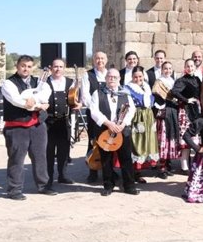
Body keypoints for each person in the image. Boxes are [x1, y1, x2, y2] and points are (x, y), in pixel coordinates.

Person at [2, 55, 55, 200]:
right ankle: (14, 190)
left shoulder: (38, 82)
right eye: (23, 66)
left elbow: (46, 93)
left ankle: (43, 186)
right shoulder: (9, 83)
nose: (26, 69)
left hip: (38, 125)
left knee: (40, 157)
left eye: (29, 66)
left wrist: (38, 101)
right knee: (17, 159)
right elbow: (17, 100)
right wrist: (39, 105)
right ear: (17, 66)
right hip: (17, 127)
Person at [89, 69, 138, 196]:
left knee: (126, 158)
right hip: (104, 130)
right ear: (105, 78)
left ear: (119, 79)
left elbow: (131, 110)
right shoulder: (97, 93)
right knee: (106, 159)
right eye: (109, 76)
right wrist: (108, 123)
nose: (112, 79)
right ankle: (108, 185)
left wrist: (123, 124)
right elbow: (94, 111)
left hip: (123, 131)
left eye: (115, 77)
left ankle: (129, 186)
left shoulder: (125, 94)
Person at [45, 58, 80, 188]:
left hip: (64, 122)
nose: (58, 69)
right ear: (51, 68)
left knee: (63, 151)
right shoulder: (44, 82)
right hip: (48, 122)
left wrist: (79, 103)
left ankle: (62, 175)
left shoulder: (70, 83)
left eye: (60, 67)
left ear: (64, 68)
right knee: (48, 150)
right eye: (55, 66)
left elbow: (77, 98)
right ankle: (48, 177)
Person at [124, 66, 159, 182]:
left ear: (143, 76)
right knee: (137, 142)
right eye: (135, 77)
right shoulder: (128, 88)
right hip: (137, 115)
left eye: (140, 76)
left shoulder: (147, 86)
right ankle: (134, 172)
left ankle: (139, 170)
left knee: (147, 141)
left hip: (148, 116)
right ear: (132, 77)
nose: (138, 78)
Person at [81, 51, 109, 182]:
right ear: (94, 60)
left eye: (102, 58)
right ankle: (92, 171)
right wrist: (96, 111)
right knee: (93, 142)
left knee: (109, 142)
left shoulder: (111, 74)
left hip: (109, 116)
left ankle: (108, 171)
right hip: (93, 115)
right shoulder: (88, 75)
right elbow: (85, 96)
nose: (100, 61)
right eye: (97, 58)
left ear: (106, 60)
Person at [171, 59, 202, 172]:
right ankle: (184, 166)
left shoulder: (197, 79)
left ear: (194, 67)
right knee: (185, 138)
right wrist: (186, 100)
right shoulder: (181, 80)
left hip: (196, 110)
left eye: (191, 66)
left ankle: (193, 164)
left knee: (194, 137)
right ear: (185, 68)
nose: (190, 68)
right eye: (188, 66)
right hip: (185, 111)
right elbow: (174, 91)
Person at [153, 61, 179, 178]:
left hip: (172, 112)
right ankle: (161, 167)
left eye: (169, 68)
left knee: (170, 138)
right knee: (162, 138)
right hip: (163, 113)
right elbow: (157, 95)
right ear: (162, 70)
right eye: (165, 69)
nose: (167, 71)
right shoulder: (159, 82)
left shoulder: (173, 81)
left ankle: (167, 164)